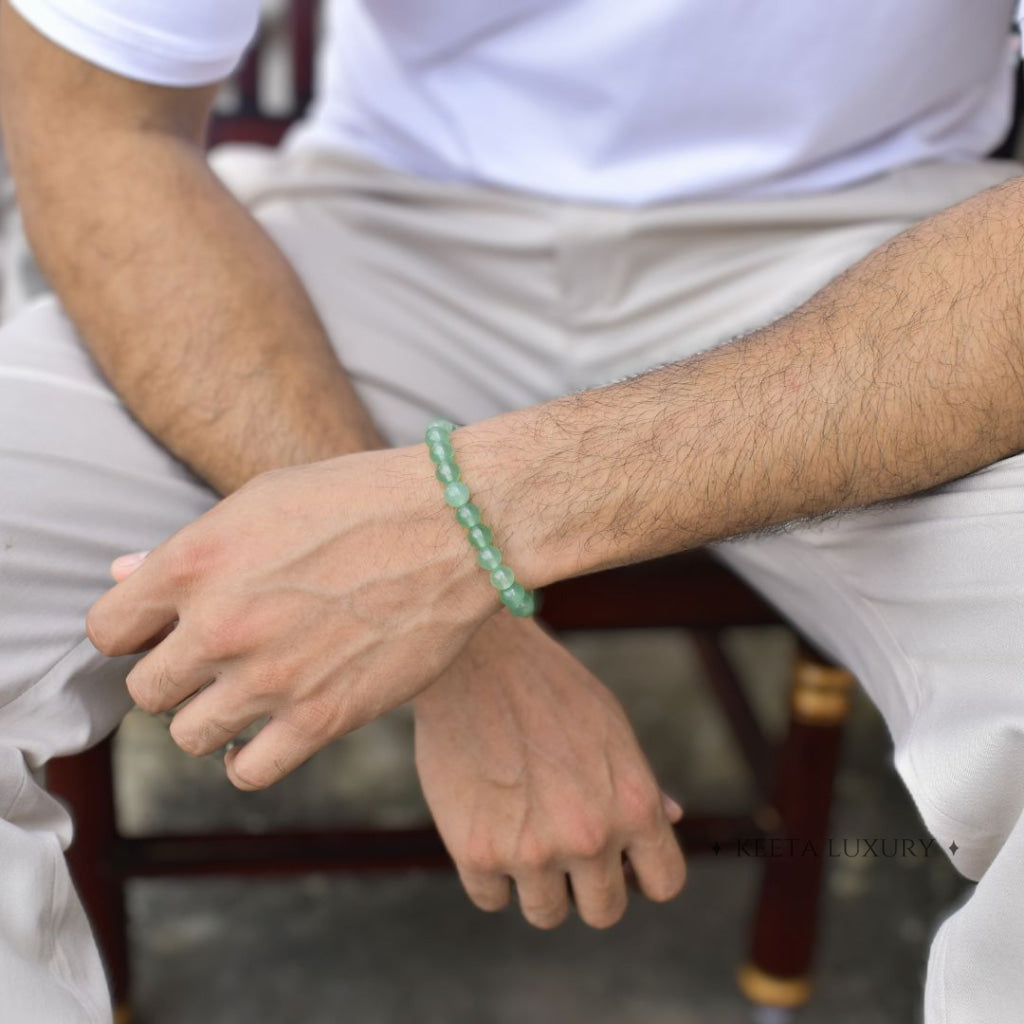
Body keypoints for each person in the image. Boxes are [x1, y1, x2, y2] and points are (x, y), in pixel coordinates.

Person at [2, 0, 1023, 1021]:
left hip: (903, 262)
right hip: (382, 226)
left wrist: (455, 539)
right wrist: (463, 638)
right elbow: (96, 126)